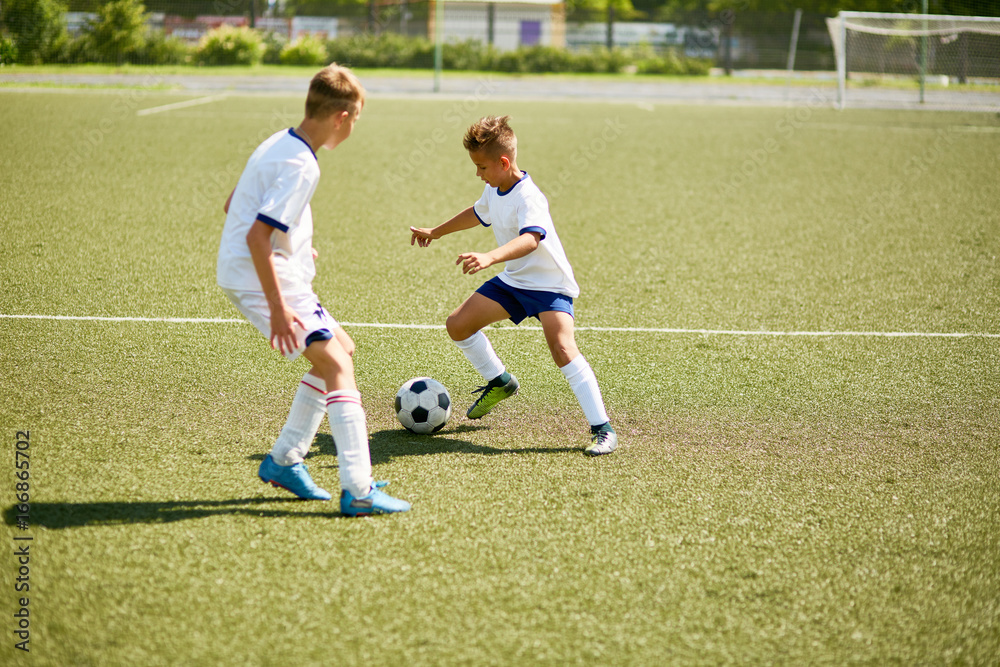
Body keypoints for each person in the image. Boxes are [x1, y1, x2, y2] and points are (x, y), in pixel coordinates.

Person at [217, 64, 410, 515]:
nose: (354, 128)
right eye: (356, 119)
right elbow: (255, 236)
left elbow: (234, 205)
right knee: (337, 364)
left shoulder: (279, 142)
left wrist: (298, 246)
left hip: (265, 268)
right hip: (263, 276)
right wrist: (279, 308)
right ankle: (358, 490)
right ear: (342, 117)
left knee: (341, 349)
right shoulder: (303, 164)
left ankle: (285, 459)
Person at [409, 115, 617, 456]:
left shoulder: (529, 197)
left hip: (550, 285)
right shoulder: (494, 187)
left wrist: (490, 257)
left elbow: (531, 239)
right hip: (516, 280)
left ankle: (603, 429)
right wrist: (435, 231)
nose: (478, 174)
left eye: (481, 167)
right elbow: (477, 213)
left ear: (504, 163)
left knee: (562, 348)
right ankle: (499, 381)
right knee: (458, 325)